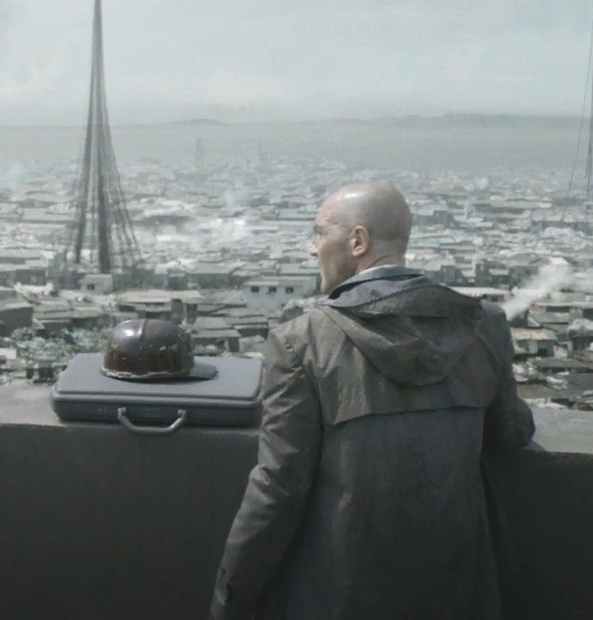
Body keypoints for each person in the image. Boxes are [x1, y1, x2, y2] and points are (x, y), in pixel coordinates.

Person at [210, 181, 536, 620]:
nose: (312, 248)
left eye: (320, 232)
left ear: (358, 241)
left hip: (340, 594)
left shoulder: (302, 342)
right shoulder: (483, 325)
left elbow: (278, 487)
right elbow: (511, 431)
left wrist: (230, 597)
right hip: (460, 590)